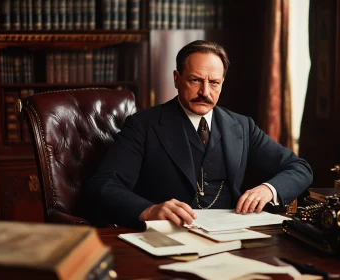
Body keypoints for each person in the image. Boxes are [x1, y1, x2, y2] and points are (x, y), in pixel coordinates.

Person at [87, 40, 313, 229]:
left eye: (214, 83)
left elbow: (300, 168)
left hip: (234, 234)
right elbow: (104, 185)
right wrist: (149, 210)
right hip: (169, 235)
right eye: (195, 80)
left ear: (222, 83)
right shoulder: (142, 125)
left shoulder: (242, 126)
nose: (205, 92)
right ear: (177, 79)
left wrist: (269, 189)